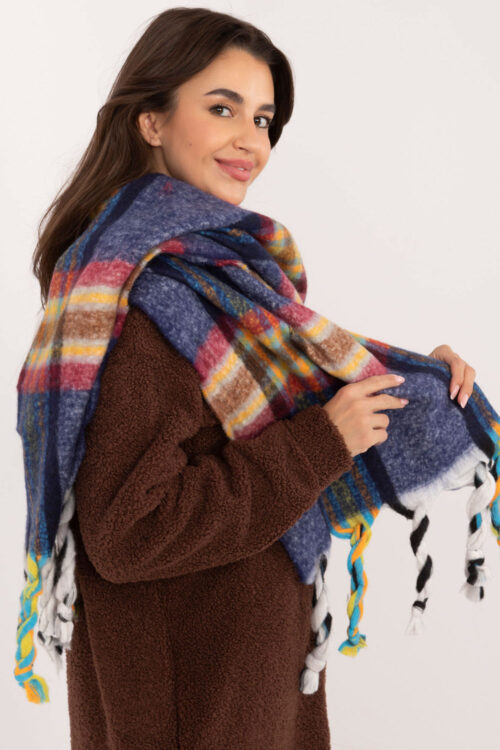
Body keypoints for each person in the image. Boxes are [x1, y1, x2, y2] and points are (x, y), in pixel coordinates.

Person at [29, 7, 476, 749]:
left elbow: (285, 402)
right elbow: (127, 533)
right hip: (192, 712)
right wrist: (320, 442)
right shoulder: (142, 301)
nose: (252, 141)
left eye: (263, 119)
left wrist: (421, 382)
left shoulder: (211, 282)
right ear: (151, 120)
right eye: (222, 108)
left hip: (240, 688)